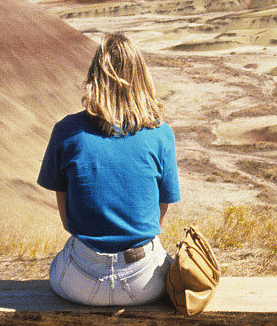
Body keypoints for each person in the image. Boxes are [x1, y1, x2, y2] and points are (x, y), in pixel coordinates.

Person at [37, 32, 181, 306]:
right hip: (144, 283)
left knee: (59, 264)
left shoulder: (66, 131)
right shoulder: (162, 134)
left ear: (94, 76)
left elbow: (68, 221)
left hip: (80, 279)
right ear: (142, 78)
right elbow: (157, 221)